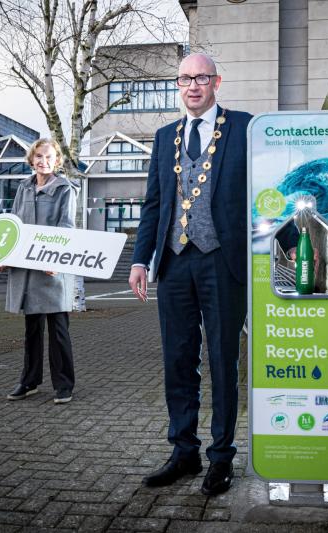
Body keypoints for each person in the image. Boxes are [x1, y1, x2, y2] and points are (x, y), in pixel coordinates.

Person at [128, 53, 251, 496]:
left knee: (223, 360)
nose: (193, 85)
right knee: (178, 359)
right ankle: (183, 452)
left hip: (224, 260)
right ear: (177, 85)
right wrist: (142, 259)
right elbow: (153, 205)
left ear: (217, 81)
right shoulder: (164, 138)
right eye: (184, 78)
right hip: (175, 263)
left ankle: (221, 457)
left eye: (201, 77)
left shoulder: (245, 128)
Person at [3, 138, 77, 405]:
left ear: (56, 161)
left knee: (58, 329)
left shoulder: (65, 189)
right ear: (31, 159)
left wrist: (55, 259)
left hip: (52, 267)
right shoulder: (23, 187)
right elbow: (13, 225)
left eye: (48, 157)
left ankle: (64, 384)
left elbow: (66, 226)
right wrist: (5, 256)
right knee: (31, 329)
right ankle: (29, 381)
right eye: (38, 156)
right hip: (26, 268)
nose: (42, 161)